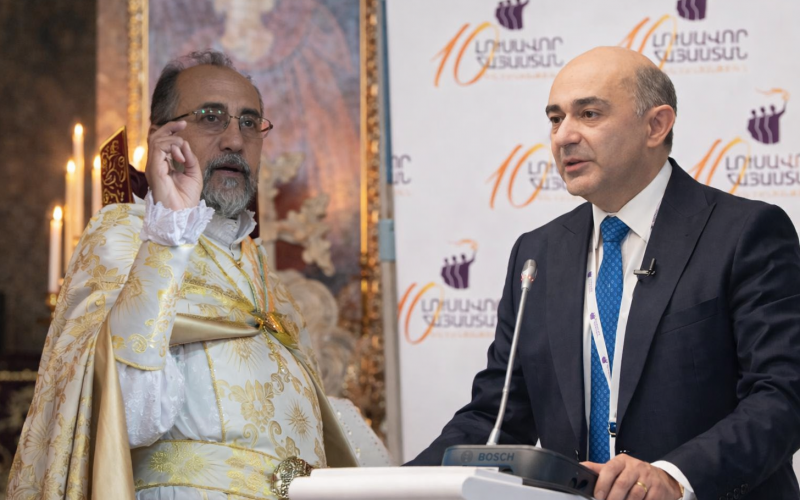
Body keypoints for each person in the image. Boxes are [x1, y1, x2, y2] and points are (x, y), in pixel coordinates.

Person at [408, 47, 800, 500]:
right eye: (555, 119)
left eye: (589, 114)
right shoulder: (537, 254)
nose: (563, 136)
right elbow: (496, 416)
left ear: (656, 125)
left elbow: (783, 394)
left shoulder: (744, 233)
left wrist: (675, 477)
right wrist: (397, 484)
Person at [8, 50, 357, 500]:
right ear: (162, 137)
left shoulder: (266, 279)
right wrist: (169, 232)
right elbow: (120, 416)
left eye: (250, 122)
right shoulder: (126, 233)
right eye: (212, 118)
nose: (235, 140)